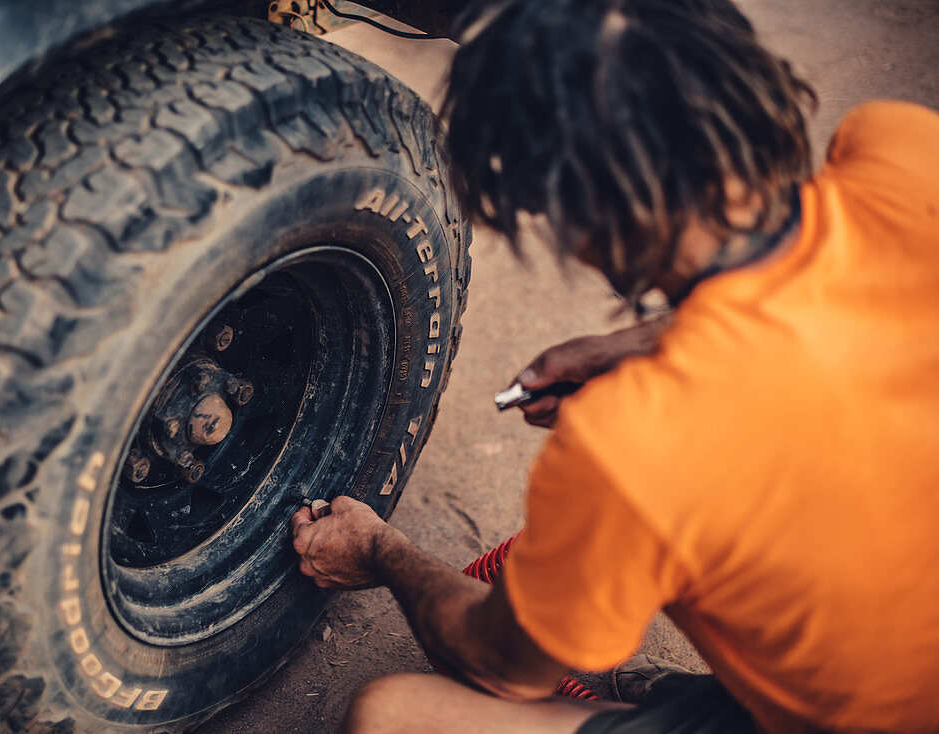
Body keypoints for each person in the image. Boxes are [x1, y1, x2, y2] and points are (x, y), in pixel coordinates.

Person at [289, 0, 939, 731]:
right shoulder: (904, 151)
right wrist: (642, 345)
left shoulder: (631, 446)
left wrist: (379, 550)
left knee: (389, 715)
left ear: (584, 230)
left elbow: (503, 663)